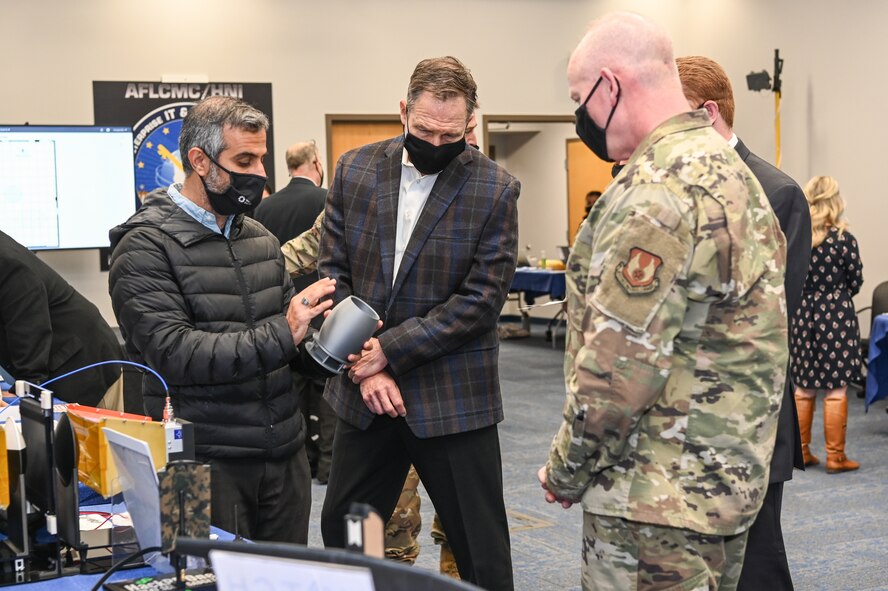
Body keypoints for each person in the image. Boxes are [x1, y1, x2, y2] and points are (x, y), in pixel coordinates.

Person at [538, 12, 788, 591]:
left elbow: (618, 370)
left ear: (612, 84)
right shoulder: (732, 171)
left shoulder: (658, 188)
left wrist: (566, 468)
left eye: (580, 99)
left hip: (652, 502)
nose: (581, 116)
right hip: (720, 490)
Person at [318, 56, 518, 590]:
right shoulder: (354, 169)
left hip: (452, 397)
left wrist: (392, 352)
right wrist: (367, 363)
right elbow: (332, 273)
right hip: (365, 395)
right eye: (424, 129)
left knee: (481, 551)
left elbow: (481, 299)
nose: (435, 141)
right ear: (403, 111)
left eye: (449, 133)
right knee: (348, 536)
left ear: (470, 125)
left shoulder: (496, 188)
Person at [108, 96, 336, 544]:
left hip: (283, 462)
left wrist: (334, 347)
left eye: (262, 159)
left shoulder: (263, 240)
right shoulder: (143, 248)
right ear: (199, 161)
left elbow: (290, 346)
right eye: (244, 159)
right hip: (199, 464)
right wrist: (284, 331)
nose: (260, 174)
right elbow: (175, 354)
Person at [676, 54, 812, 591]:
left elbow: (773, 319)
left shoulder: (776, 193)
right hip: (672, 422)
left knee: (755, 568)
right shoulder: (672, 182)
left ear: (708, 113)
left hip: (743, 421)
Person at [254, 140, 334, 483]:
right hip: (325, 306)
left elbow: (280, 255)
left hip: (280, 308)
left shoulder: (266, 206)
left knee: (295, 392)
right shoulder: (329, 197)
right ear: (316, 162)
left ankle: (303, 458)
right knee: (329, 393)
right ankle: (329, 464)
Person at [0, 230, 124, 409]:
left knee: (92, 435)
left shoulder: (7, 261)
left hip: (83, 364)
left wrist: (25, 387)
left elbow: (29, 328)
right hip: (54, 362)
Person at [791, 175, 863, 474]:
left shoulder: (797, 237)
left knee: (803, 388)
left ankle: (803, 452)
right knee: (836, 389)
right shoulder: (842, 240)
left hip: (802, 313)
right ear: (835, 201)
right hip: (836, 315)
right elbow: (856, 281)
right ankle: (836, 457)